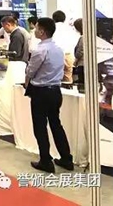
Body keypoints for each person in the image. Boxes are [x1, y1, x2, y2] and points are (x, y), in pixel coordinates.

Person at [25, 17, 74, 173]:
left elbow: (31, 71)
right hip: (55, 91)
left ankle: (46, 160)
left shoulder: (40, 50)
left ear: (42, 31)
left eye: (36, 28)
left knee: (40, 127)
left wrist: (27, 83)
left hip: (41, 92)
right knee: (56, 124)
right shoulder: (58, 49)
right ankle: (66, 158)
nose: (34, 30)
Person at [73, 19, 84, 86]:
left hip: (82, 63)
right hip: (85, 63)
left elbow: (80, 51)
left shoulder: (83, 38)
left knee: (82, 83)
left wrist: (76, 60)